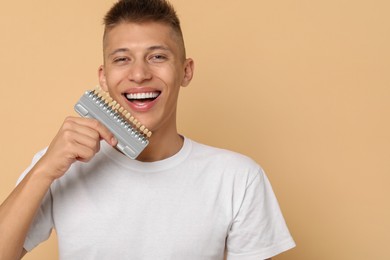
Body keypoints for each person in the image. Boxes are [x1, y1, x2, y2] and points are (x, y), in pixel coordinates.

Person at [0, 0, 295, 259]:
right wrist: (43, 171)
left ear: (186, 71)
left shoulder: (238, 179)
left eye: (157, 56)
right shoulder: (60, 168)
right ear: (104, 78)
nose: (139, 74)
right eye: (122, 59)